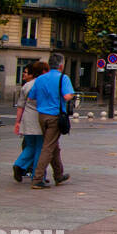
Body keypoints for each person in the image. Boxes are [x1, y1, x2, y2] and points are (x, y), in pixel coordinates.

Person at [28, 52, 75, 189]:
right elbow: (67, 96)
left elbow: (32, 97)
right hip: (55, 116)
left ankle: (59, 174)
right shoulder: (63, 78)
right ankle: (37, 178)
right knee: (48, 147)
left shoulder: (40, 79)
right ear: (61, 65)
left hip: (42, 115)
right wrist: (71, 94)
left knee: (54, 146)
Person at [12, 62, 49, 182]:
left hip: (27, 118)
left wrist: (18, 122)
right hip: (39, 119)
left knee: (30, 145)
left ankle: (19, 164)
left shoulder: (26, 86)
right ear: (43, 71)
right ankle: (37, 175)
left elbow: (20, 106)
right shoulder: (44, 84)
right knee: (40, 147)